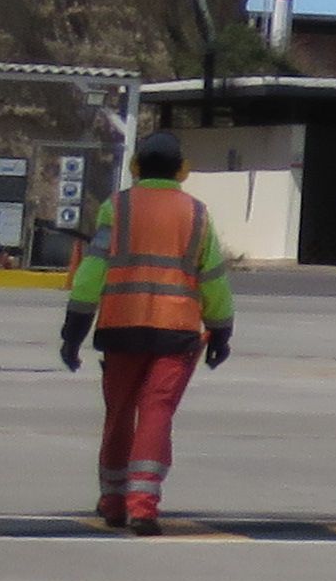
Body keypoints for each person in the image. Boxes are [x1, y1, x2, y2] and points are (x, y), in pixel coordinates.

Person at [61, 135, 233, 531]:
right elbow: (213, 279)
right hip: (176, 332)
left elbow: (91, 273)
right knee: (156, 413)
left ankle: (113, 501)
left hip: (121, 329)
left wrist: (73, 331)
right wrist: (221, 331)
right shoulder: (197, 213)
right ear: (182, 171)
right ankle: (143, 507)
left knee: (119, 413)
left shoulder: (117, 208)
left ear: (135, 167)